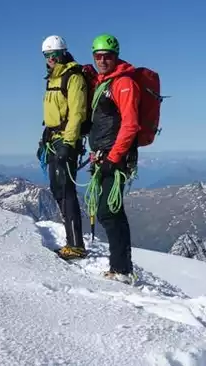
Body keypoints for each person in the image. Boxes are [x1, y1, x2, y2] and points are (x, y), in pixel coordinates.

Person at [86, 33, 139, 283]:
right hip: (103, 156)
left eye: (107, 56)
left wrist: (114, 158)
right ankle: (121, 267)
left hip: (115, 158)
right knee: (111, 211)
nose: (102, 60)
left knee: (109, 211)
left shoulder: (123, 83)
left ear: (116, 56)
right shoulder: (103, 82)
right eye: (98, 56)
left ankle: (122, 269)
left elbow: (130, 124)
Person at [38, 34, 88, 260]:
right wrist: (44, 139)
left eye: (54, 54)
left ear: (63, 53)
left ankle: (76, 245)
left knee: (66, 191)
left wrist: (69, 144)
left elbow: (77, 113)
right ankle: (71, 240)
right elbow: (52, 115)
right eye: (47, 55)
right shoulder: (52, 78)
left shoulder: (73, 77)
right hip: (53, 139)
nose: (51, 59)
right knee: (57, 189)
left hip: (66, 140)